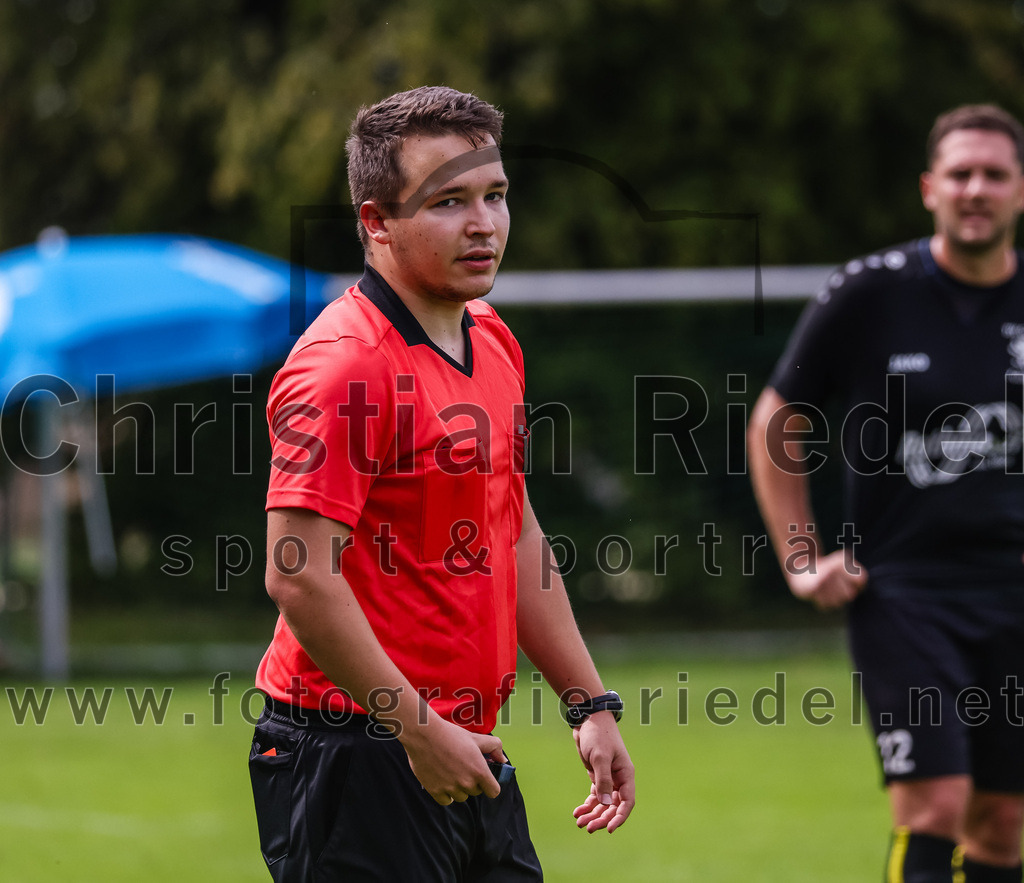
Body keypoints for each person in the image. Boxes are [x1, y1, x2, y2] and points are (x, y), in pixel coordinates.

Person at [247, 86, 635, 881]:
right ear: (376, 222)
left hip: (461, 740)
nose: (484, 223)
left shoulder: (491, 337)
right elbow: (297, 575)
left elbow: (513, 526)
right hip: (350, 750)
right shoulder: (346, 368)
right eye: (448, 201)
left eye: (494, 195)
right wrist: (415, 728)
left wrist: (587, 701)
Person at [748, 103, 1024, 882]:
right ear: (929, 188)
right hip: (903, 592)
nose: (976, 189)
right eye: (960, 174)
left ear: (1020, 191)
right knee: (934, 804)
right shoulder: (870, 292)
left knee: (1002, 823)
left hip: (1014, 590)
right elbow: (777, 418)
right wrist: (802, 557)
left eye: (994, 174)